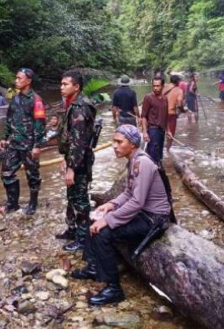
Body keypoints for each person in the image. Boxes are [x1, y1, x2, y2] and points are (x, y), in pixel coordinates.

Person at [70, 125, 172, 306]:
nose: (114, 146)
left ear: (132, 144)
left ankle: (114, 289)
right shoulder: (133, 160)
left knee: (103, 233)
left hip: (153, 218)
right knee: (93, 218)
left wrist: (108, 220)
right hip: (143, 212)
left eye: (119, 142)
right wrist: (111, 205)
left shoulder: (144, 163)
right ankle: (94, 267)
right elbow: (128, 192)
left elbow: (137, 201)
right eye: (114, 141)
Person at [57, 70, 97, 252]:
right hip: (74, 158)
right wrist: (64, 159)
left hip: (79, 162)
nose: (61, 87)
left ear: (76, 87)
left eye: (65, 84)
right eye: (61, 84)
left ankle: (83, 239)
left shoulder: (80, 108)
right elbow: (70, 137)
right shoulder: (73, 104)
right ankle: (72, 230)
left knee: (80, 199)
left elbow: (78, 142)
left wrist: (72, 167)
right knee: (72, 195)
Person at [0, 68, 47, 215]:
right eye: (16, 78)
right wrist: (4, 137)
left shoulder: (36, 100)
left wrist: (37, 146)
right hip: (14, 143)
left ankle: (33, 204)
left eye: (20, 78)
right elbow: (9, 119)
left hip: (29, 145)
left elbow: (40, 123)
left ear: (28, 81)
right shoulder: (15, 98)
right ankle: (12, 204)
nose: (16, 81)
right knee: (6, 173)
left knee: (32, 175)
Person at [141, 77, 169, 164]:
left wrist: (169, 130)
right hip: (153, 130)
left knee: (159, 154)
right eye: (154, 86)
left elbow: (166, 116)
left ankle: (157, 172)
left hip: (162, 130)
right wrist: (145, 132)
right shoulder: (148, 98)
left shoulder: (165, 99)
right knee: (153, 154)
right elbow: (143, 116)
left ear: (163, 86)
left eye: (158, 86)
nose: (155, 88)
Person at [163, 74, 185, 151]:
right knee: (170, 134)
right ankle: (167, 151)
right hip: (171, 114)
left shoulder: (164, 86)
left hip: (160, 113)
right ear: (178, 81)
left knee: (160, 132)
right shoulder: (179, 90)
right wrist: (183, 110)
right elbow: (179, 104)